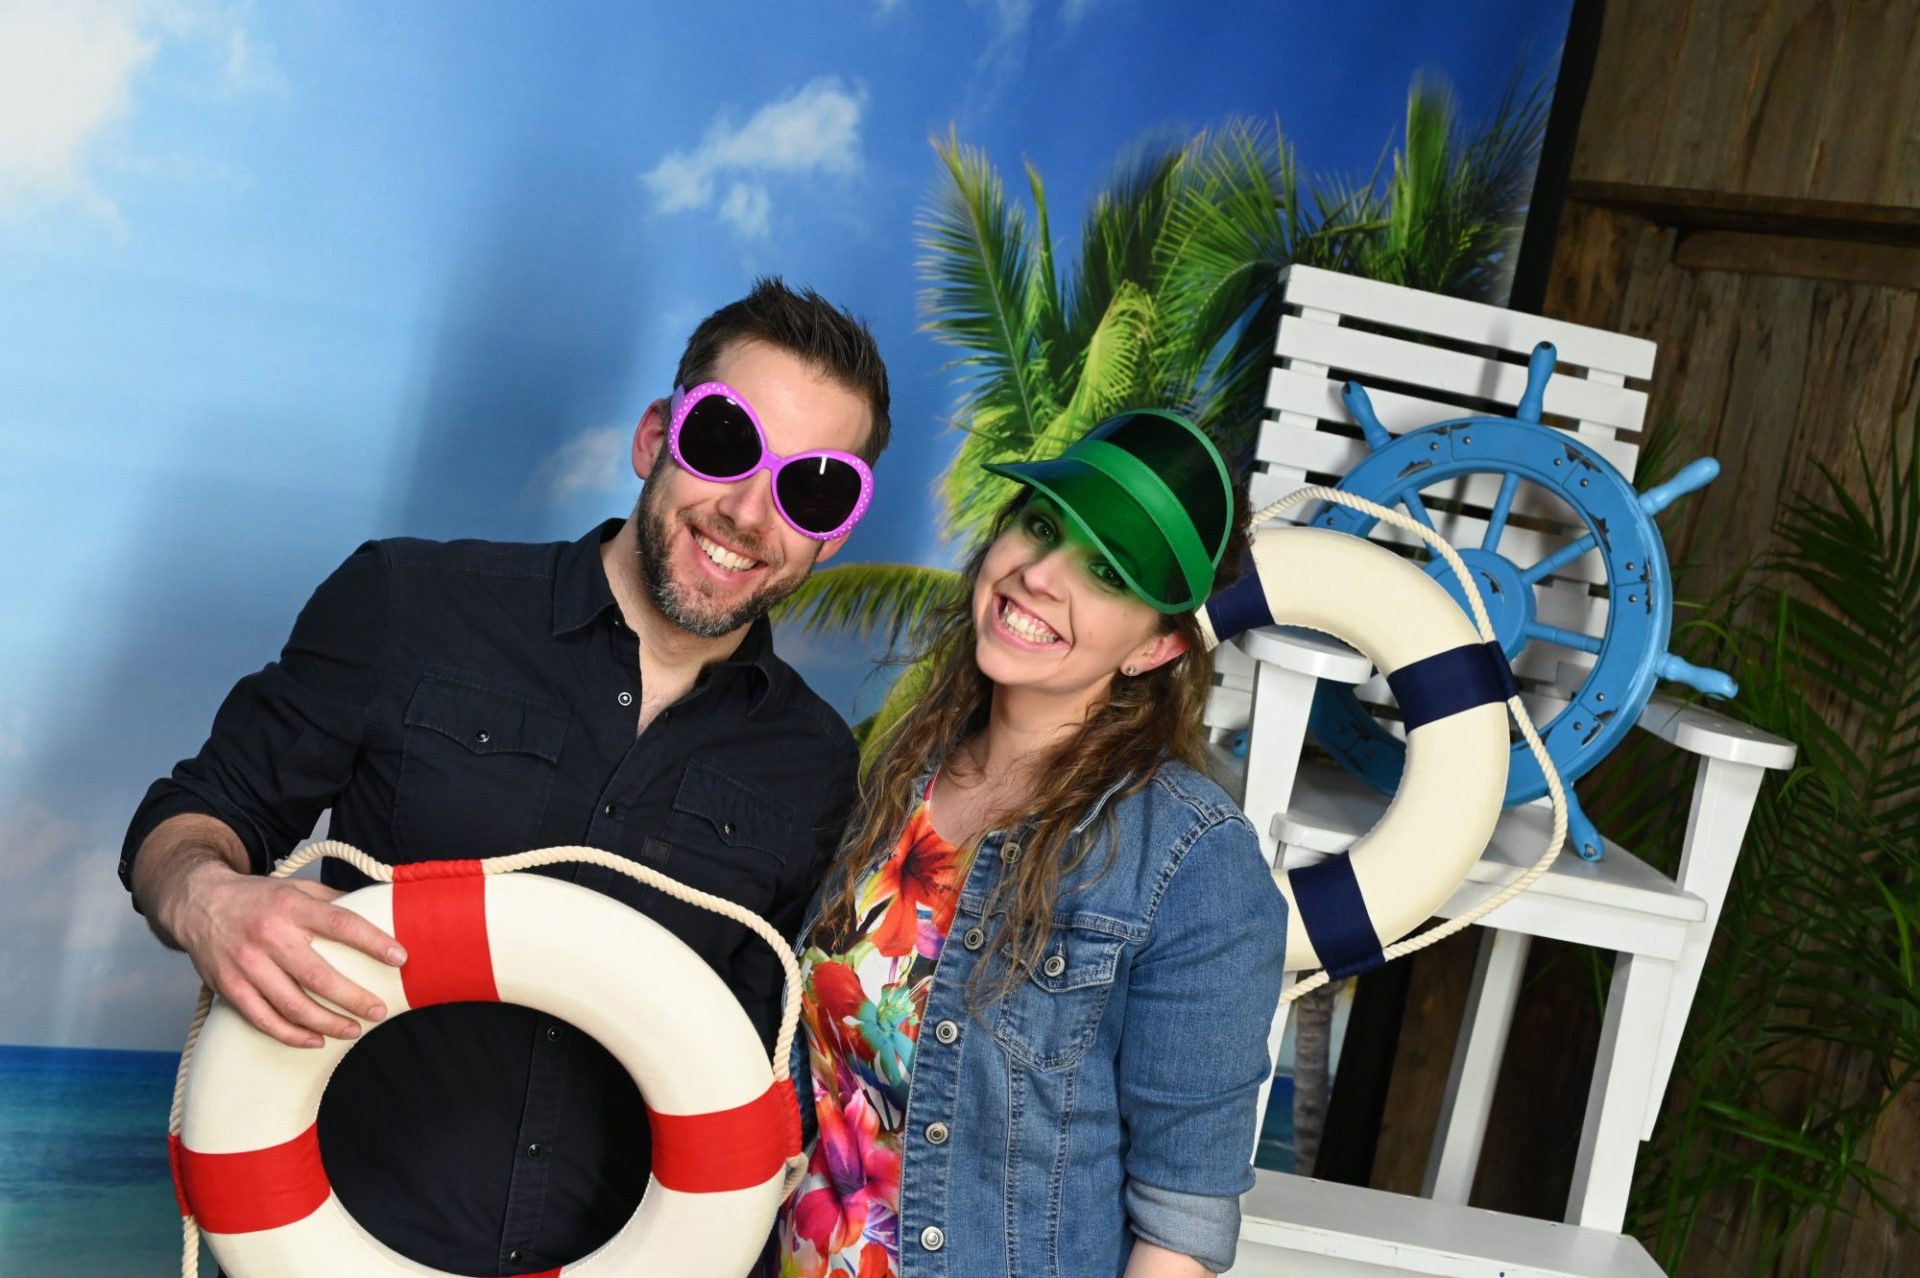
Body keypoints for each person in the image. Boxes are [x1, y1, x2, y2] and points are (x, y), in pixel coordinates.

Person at [119, 277, 890, 1275]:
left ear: (837, 529)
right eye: (725, 442)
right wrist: (209, 898)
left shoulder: (815, 764)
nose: (749, 512)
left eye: (812, 488)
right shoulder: (408, 603)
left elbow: (748, 1062)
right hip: (328, 1239)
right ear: (655, 438)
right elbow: (195, 815)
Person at [776, 411, 1289, 1278]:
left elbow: (1182, 1226)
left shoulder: (1194, 862)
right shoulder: (899, 778)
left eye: (1107, 572)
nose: (1041, 575)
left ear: (1157, 645)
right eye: (1044, 526)